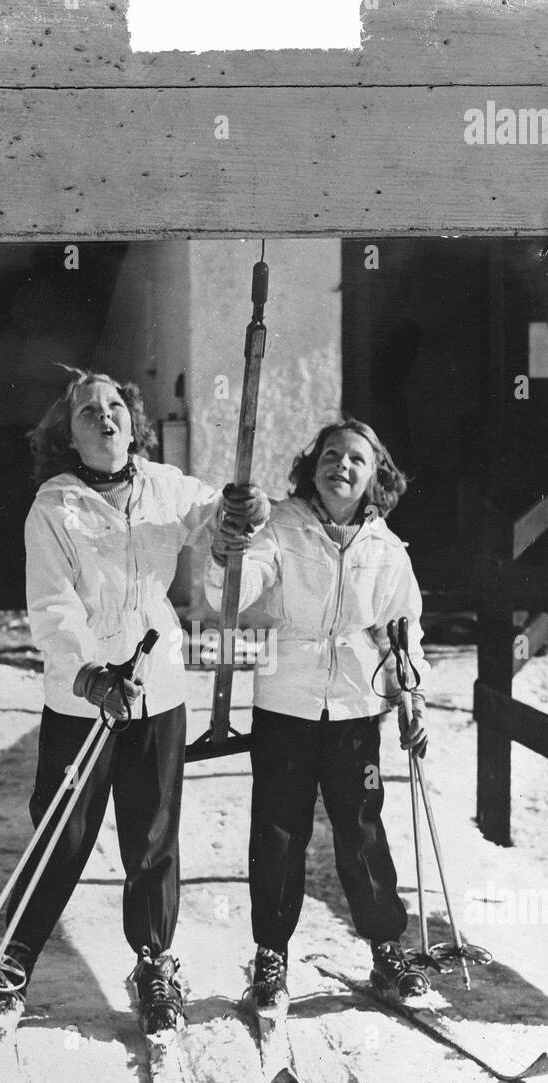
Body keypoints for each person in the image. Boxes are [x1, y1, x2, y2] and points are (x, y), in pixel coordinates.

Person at [0, 367, 268, 1034]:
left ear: (134, 424)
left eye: (114, 407)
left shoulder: (165, 486)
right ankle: (13, 960)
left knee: (152, 841)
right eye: (88, 412)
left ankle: (153, 961)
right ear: (68, 436)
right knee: (62, 833)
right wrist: (90, 676)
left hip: (158, 689)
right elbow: (52, 608)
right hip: (84, 699)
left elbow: (219, 519)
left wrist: (240, 515)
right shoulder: (54, 508)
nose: (105, 418)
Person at [204, 418, 430, 1009]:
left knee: (361, 827)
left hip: (357, 704)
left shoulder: (386, 548)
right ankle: (272, 954)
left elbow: (402, 629)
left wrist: (413, 692)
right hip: (288, 701)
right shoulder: (279, 525)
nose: (343, 467)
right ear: (314, 465)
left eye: (357, 459)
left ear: (374, 475)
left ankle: (386, 949)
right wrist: (230, 554)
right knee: (280, 830)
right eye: (332, 455)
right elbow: (234, 587)